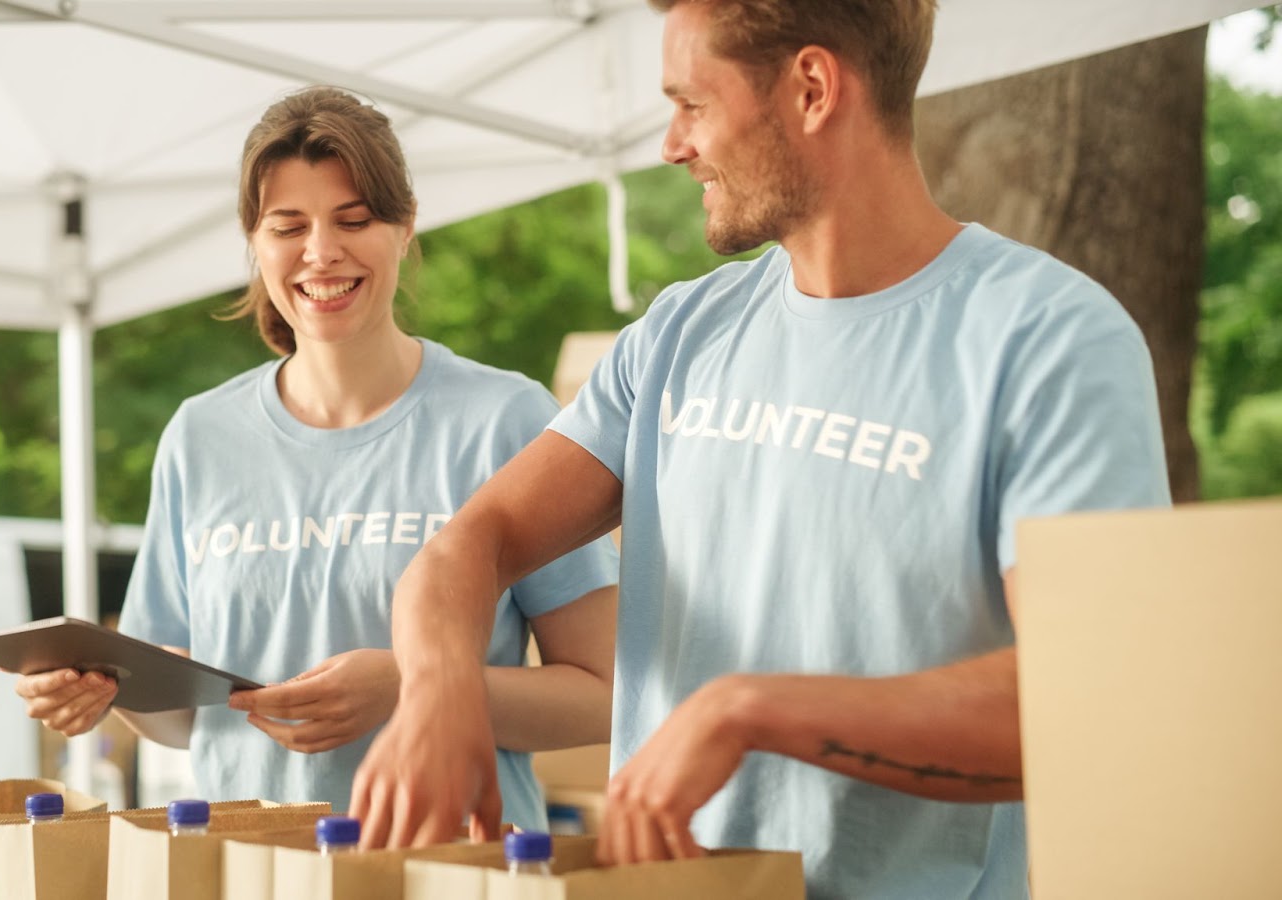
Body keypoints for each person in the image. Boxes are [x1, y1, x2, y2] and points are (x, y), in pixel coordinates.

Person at [349, 1, 1171, 897]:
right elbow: (471, 544)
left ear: (812, 89)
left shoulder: (1051, 339)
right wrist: (437, 690)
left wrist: (753, 709)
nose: (671, 144)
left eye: (691, 104)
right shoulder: (677, 336)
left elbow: (1091, 694)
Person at [13, 86, 619, 830]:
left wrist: (416, 685)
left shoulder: (507, 419)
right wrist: (105, 688)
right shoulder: (200, 435)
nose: (321, 251)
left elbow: (605, 695)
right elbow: (185, 719)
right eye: (287, 226)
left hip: (453, 866)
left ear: (405, 229)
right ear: (254, 242)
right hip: (250, 866)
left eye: (354, 220)